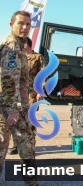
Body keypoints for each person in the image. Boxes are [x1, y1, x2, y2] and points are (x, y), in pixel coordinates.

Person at [0, 11, 37, 185]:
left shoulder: (17, 46)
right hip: (10, 107)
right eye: (21, 23)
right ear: (11, 24)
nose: (24, 27)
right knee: (25, 146)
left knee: (6, 145)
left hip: (11, 106)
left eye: (28, 24)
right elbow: (9, 79)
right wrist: (13, 109)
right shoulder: (13, 45)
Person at [8, 37, 45, 155]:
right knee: (16, 118)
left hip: (31, 94)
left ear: (25, 45)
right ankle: (16, 145)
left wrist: (40, 92)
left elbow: (43, 75)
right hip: (17, 93)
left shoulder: (38, 57)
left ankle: (30, 145)